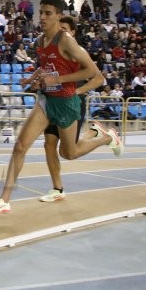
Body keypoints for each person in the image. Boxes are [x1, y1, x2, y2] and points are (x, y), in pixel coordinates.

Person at [0, 0, 123, 215]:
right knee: (21, 146)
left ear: (59, 16)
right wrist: (34, 80)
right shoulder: (40, 41)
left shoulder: (66, 40)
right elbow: (48, 67)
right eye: (41, 12)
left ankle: (108, 138)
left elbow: (92, 72)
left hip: (67, 103)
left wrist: (59, 81)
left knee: (69, 153)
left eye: (48, 13)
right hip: (46, 100)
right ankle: (4, 200)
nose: (42, 17)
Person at [38, 16, 105, 203]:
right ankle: (57, 188)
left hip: (73, 103)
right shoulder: (55, 48)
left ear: (73, 32)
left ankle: (104, 137)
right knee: (49, 144)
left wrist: (77, 91)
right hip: (54, 102)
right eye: (59, 28)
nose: (60, 32)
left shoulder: (79, 50)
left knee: (69, 153)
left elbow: (98, 78)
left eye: (65, 29)